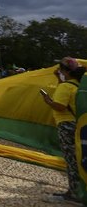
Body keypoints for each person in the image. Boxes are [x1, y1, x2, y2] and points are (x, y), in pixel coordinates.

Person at [41, 57, 86, 204]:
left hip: (66, 125)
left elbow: (60, 106)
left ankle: (74, 195)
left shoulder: (65, 87)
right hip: (76, 124)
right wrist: (58, 78)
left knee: (71, 160)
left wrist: (48, 101)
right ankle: (76, 190)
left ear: (66, 71)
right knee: (77, 158)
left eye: (61, 69)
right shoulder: (77, 85)